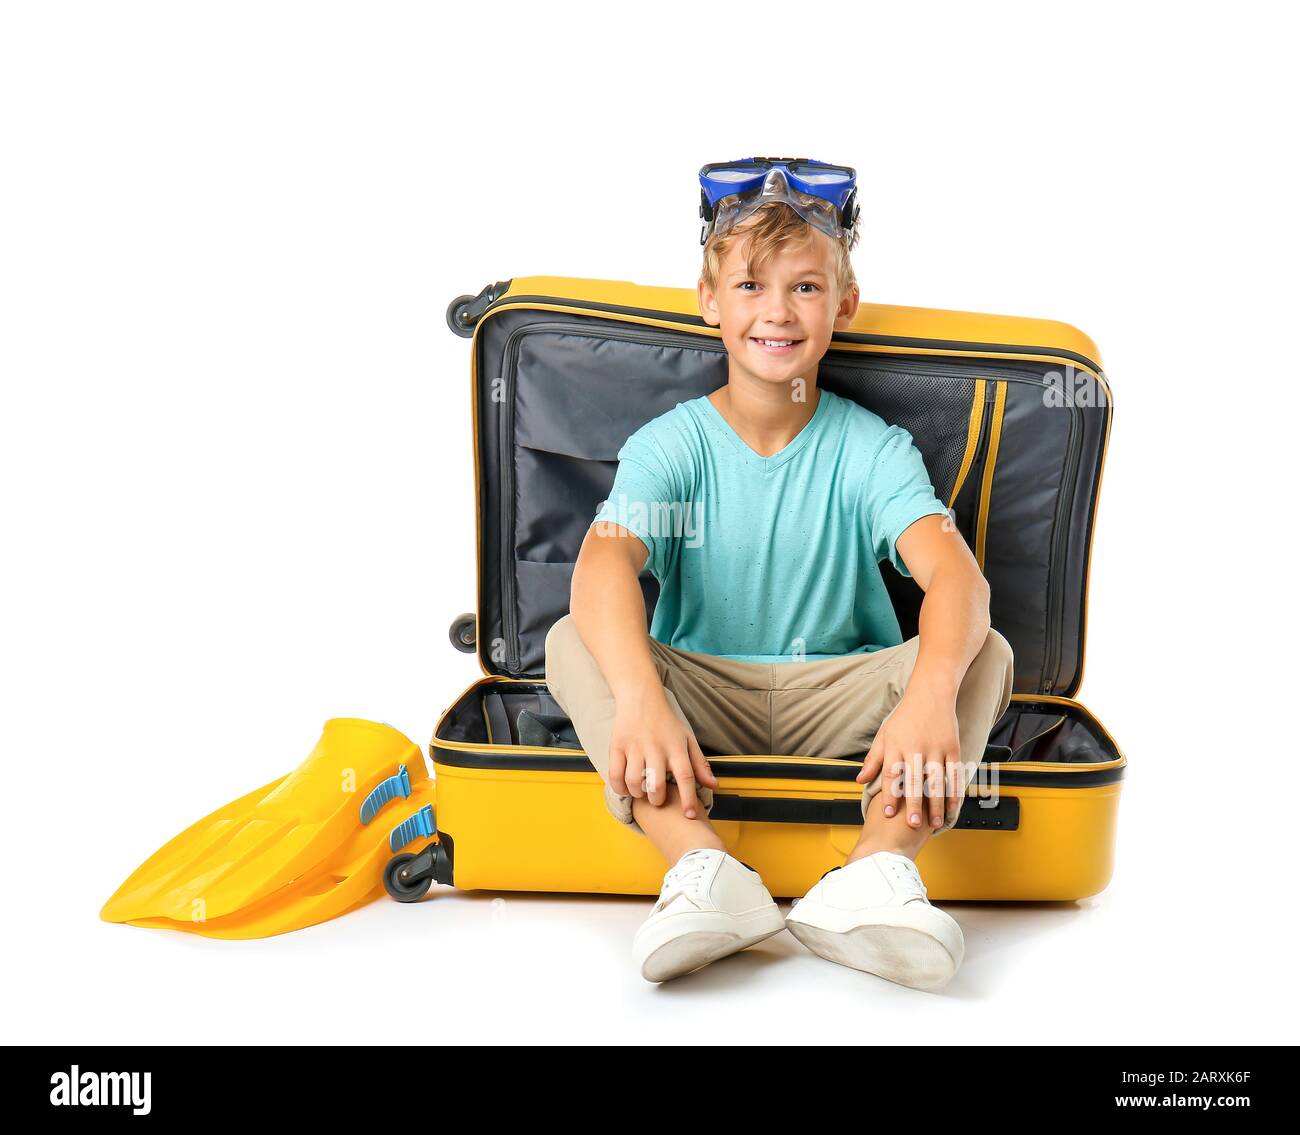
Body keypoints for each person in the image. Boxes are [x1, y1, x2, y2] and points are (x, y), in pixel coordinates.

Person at [544, 158, 1013, 991]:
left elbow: (957, 580)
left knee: (988, 652)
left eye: (805, 288)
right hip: (700, 701)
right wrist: (643, 694)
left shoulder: (871, 448)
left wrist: (932, 691)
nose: (777, 311)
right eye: (750, 285)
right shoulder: (673, 444)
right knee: (570, 639)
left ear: (844, 305)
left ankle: (874, 870)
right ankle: (702, 869)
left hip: (842, 701)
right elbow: (604, 562)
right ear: (709, 300)